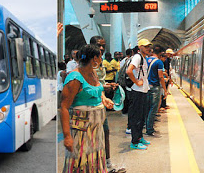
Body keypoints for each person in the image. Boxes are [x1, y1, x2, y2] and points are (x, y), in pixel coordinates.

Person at [61, 44, 114, 172]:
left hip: (96, 129)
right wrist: (67, 136)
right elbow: (63, 107)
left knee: (95, 160)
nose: (101, 60)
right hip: (81, 130)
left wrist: (104, 99)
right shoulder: (75, 78)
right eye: (100, 57)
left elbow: (97, 89)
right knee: (80, 162)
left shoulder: (93, 73)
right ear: (94, 58)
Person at [89, 36, 124, 173]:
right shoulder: (87, 64)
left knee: (105, 132)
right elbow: (89, 84)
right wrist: (103, 90)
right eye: (99, 45)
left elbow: (98, 83)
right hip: (90, 105)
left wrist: (106, 86)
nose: (102, 48)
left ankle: (107, 164)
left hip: (100, 103)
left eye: (103, 45)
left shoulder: (101, 62)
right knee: (95, 136)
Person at [126, 39, 151, 150]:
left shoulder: (143, 58)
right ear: (140, 47)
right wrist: (137, 82)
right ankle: (134, 142)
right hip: (137, 91)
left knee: (141, 117)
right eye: (145, 46)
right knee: (136, 118)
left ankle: (140, 137)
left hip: (142, 91)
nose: (148, 48)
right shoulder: (137, 57)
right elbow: (129, 71)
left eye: (149, 46)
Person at [145, 46, 167, 137]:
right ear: (160, 53)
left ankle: (146, 126)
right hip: (154, 87)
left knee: (147, 108)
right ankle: (149, 129)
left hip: (146, 87)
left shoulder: (146, 60)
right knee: (153, 109)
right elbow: (160, 76)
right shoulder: (159, 62)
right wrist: (165, 90)